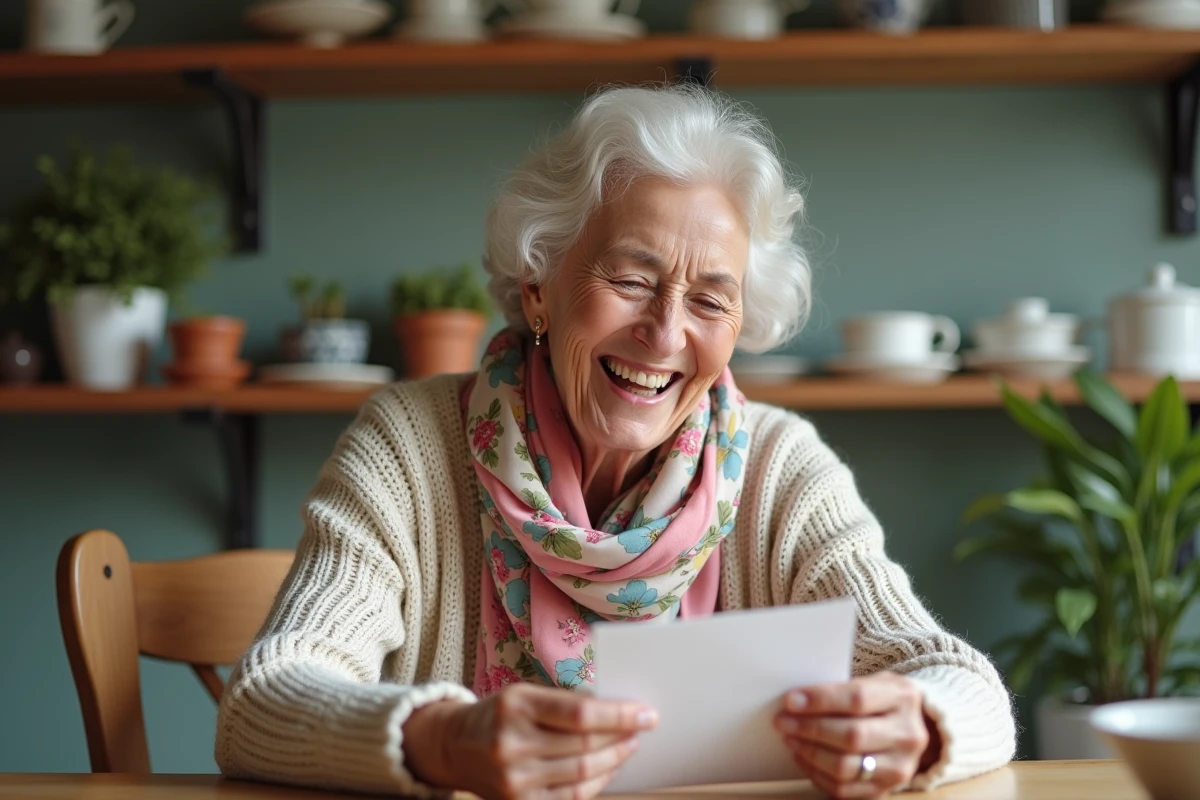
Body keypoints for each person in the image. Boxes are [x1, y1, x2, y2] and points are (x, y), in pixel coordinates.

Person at [216, 84, 1016, 800]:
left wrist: (919, 725)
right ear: (539, 286)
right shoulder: (408, 447)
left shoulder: (780, 468)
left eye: (710, 300)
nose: (665, 332)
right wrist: (446, 741)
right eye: (631, 280)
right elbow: (263, 701)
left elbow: (957, 681)